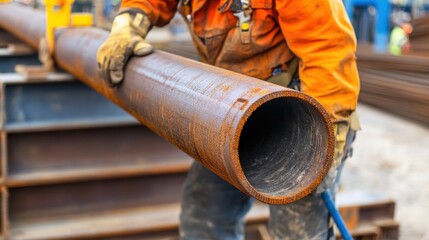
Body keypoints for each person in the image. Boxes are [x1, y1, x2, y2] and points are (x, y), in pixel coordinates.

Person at [97, 0, 360, 239]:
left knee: (297, 232)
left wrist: (325, 145)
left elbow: (327, 50)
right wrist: (127, 26)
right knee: (205, 217)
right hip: (234, 110)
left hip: (301, 114)